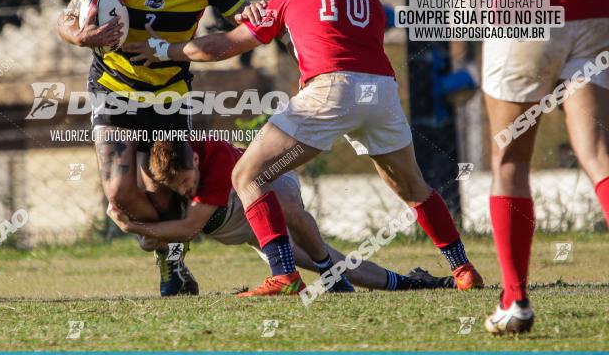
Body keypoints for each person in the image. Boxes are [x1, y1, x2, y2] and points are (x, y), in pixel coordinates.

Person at [128, 0, 484, 297]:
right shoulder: (372, 4)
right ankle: (462, 268)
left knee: (248, 175)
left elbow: (223, 46)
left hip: (331, 90)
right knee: (413, 187)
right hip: (382, 92)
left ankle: (283, 275)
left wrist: (164, 50)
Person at [56, 0, 249, 296]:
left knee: (163, 186)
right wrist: (80, 36)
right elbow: (66, 19)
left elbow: (247, 21)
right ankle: (168, 252)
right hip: (115, 89)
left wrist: (271, 21)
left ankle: (170, 261)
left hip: (170, 96)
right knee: (119, 191)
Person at [463, 0, 609, 334]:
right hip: (595, 16)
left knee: (509, 161)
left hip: (526, 11)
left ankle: (515, 299)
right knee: (597, 154)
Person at [108, 139, 454, 294]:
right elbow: (169, 226)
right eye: (176, 186)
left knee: (313, 241)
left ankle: (406, 283)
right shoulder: (167, 176)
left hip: (269, 194)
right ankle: (400, 281)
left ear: (195, 163)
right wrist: (136, 224)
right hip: (247, 228)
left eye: (186, 182)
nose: (184, 190)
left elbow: (189, 227)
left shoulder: (212, 158)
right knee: (331, 263)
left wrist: (129, 225)